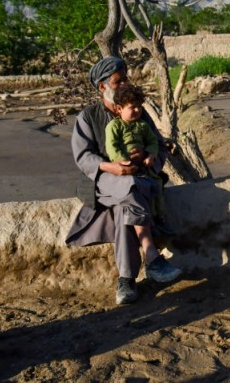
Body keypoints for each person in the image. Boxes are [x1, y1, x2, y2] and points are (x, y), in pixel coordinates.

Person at [66, 56, 182, 305]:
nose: (124, 84)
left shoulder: (138, 112)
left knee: (124, 206)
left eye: (125, 79)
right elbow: (83, 156)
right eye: (119, 81)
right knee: (129, 186)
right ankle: (152, 256)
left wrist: (150, 158)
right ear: (102, 87)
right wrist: (110, 166)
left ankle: (126, 280)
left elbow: (159, 147)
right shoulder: (88, 117)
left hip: (138, 178)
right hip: (103, 180)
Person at [105, 84, 167, 224]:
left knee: (156, 183)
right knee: (139, 188)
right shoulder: (114, 126)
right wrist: (125, 161)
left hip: (144, 166)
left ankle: (160, 213)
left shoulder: (143, 125)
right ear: (119, 108)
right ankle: (148, 217)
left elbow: (153, 141)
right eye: (132, 107)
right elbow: (112, 147)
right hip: (126, 168)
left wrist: (150, 155)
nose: (137, 110)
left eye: (139, 106)